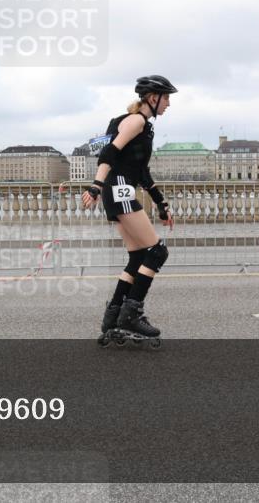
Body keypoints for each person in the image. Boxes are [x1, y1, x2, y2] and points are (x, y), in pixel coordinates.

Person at [81, 75, 177, 341]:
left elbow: (141, 171)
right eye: (166, 97)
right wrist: (95, 186)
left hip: (119, 190)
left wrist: (161, 203)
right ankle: (131, 314)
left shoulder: (140, 124)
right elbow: (108, 153)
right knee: (157, 252)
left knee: (138, 257)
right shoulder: (136, 121)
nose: (168, 103)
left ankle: (113, 314)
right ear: (152, 97)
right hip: (119, 190)